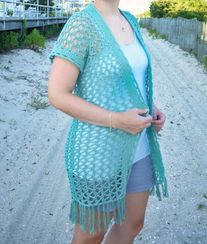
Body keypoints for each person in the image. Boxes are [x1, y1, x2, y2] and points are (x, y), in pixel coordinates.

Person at [48, 0, 168, 243]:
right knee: (91, 235)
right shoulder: (81, 25)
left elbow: (130, 78)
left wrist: (151, 107)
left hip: (140, 147)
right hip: (98, 152)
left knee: (133, 224)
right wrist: (116, 119)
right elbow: (57, 94)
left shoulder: (130, 20)